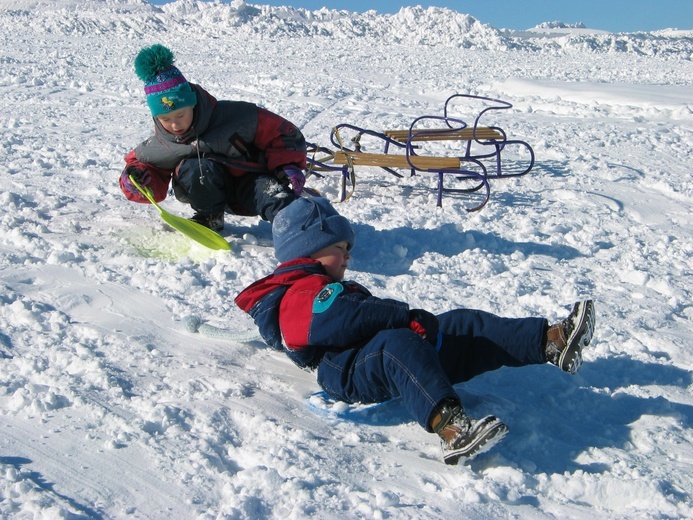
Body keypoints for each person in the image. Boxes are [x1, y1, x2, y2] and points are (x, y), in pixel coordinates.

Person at [235, 197, 596, 464]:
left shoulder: (312, 288)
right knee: (399, 345)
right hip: (345, 369)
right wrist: (403, 317)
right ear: (308, 249)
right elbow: (342, 317)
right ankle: (452, 427)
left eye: (348, 249)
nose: (347, 257)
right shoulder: (301, 292)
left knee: (460, 325)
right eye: (339, 248)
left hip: (377, 353)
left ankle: (550, 342)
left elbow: (354, 317)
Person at [118, 44, 307, 231]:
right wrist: (138, 180)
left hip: (252, 183)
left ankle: (302, 226)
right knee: (196, 166)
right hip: (206, 192)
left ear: (192, 104)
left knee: (275, 197)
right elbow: (141, 165)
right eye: (166, 119)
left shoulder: (235, 117)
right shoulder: (161, 144)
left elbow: (281, 132)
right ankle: (209, 217)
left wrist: (288, 165)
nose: (175, 125)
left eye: (181, 115)